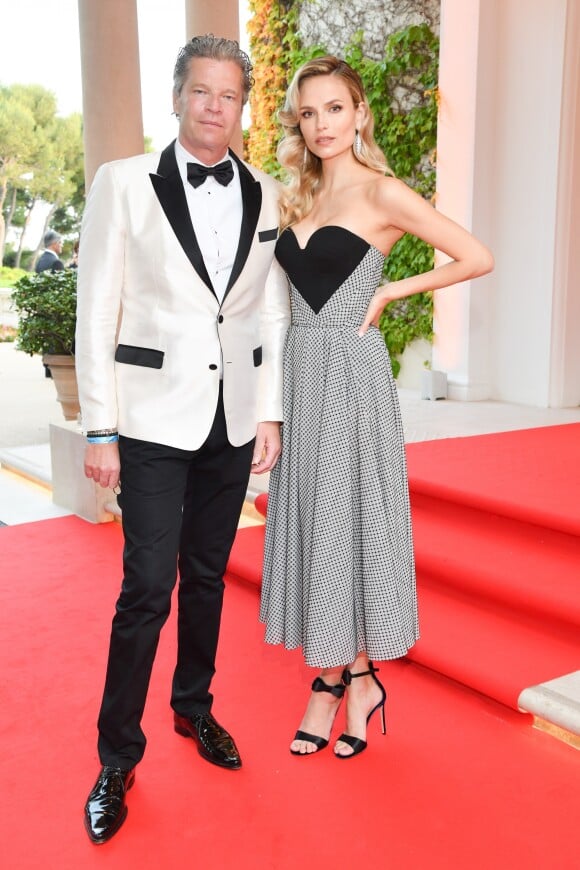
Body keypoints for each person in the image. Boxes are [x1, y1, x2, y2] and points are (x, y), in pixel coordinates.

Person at [76, 34, 289, 845]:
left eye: (228, 96)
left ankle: (193, 707)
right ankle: (115, 758)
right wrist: (101, 427)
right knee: (145, 588)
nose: (214, 107)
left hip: (232, 419)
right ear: (177, 97)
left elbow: (266, 313)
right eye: (200, 91)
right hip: (151, 420)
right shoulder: (124, 183)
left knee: (207, 576)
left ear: (241, 107)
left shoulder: (265, 194)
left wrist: (267, 411)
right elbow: (98, 309)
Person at [260, 56, 494, 759]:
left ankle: (331, 684)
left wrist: (393, 292)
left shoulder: (385, 194)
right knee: (316, 519)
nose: (322, 124)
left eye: (335, 108)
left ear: (360, 114)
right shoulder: (297, 197)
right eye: (309, 112)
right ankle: (355, 677)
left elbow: (475, 255)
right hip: (303, 371)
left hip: (351, 373)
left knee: (349, 520)